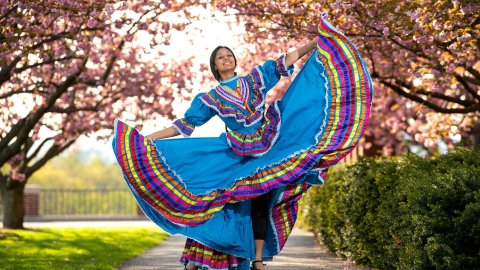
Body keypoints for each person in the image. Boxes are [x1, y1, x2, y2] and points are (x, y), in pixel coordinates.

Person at [112, 13, 373, 270]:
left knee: (262, 202)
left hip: (270, 147)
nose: (226, 58)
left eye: (228, 55)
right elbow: (184, 126)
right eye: (220, 57)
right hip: (236, 155)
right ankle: (201, 258)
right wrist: (147, 138)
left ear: (234, 60)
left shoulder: (255, 79)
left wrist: (315, 43)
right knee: (214, 202)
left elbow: (285, 62)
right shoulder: (210, 98)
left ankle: (257, 260)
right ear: (215, 66)